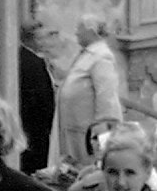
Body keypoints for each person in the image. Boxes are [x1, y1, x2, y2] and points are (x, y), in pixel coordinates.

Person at [52, 13, 123, 171]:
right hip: (74, 127)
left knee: (85, 168)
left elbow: (106, 95)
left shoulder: (101, 56)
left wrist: (101, 130)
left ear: (91, 31)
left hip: (86, 132)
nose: (76, 32)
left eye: (80, 28)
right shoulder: (88, 54)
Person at [18, 20, 58, 175]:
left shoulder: (25, 57)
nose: (46, 42)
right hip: (35, 129)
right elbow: (42, 99)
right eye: (43, 38)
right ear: (33, 39)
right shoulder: (33, 63)